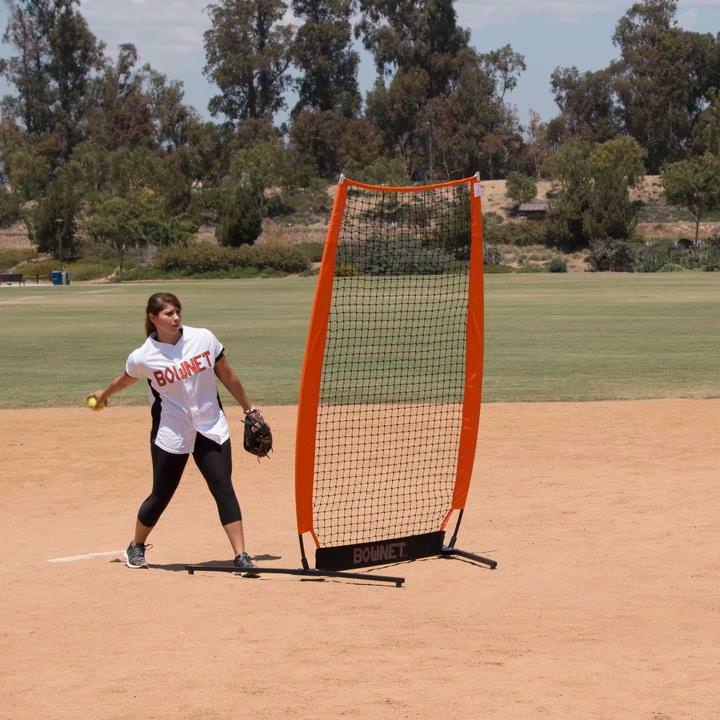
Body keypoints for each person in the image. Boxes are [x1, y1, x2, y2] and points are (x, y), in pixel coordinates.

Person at [90, 292, 261, 574]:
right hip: (172, 431)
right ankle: (136, 545)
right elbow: (127, 378)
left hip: (210, 426)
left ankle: (241, 555)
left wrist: (249, 409)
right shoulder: (144, 356)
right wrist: (105, 394)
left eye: (178, 311)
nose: (176, 317)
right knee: (161, 493)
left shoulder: (203, 338)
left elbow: (228, 374)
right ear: (153, 318)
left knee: (223, 487)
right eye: (169, 313)